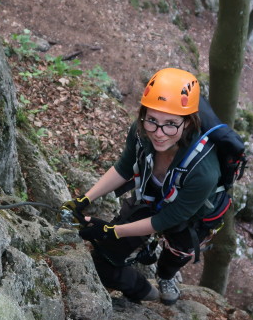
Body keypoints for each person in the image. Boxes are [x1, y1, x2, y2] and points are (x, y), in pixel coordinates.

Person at [62, 68, 230, 305]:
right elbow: (124, 168)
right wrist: (84, 200)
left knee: (176, 252)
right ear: (143, 115)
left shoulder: (204, 169)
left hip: (195, 217)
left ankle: (166, 276)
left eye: (171, 124)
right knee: (106, 254)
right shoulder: (142, 132)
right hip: (151, 197)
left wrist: (113, 230)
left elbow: (169, 218)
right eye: (152, 120)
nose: (159, 133)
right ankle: (142, 291)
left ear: (189, 123)